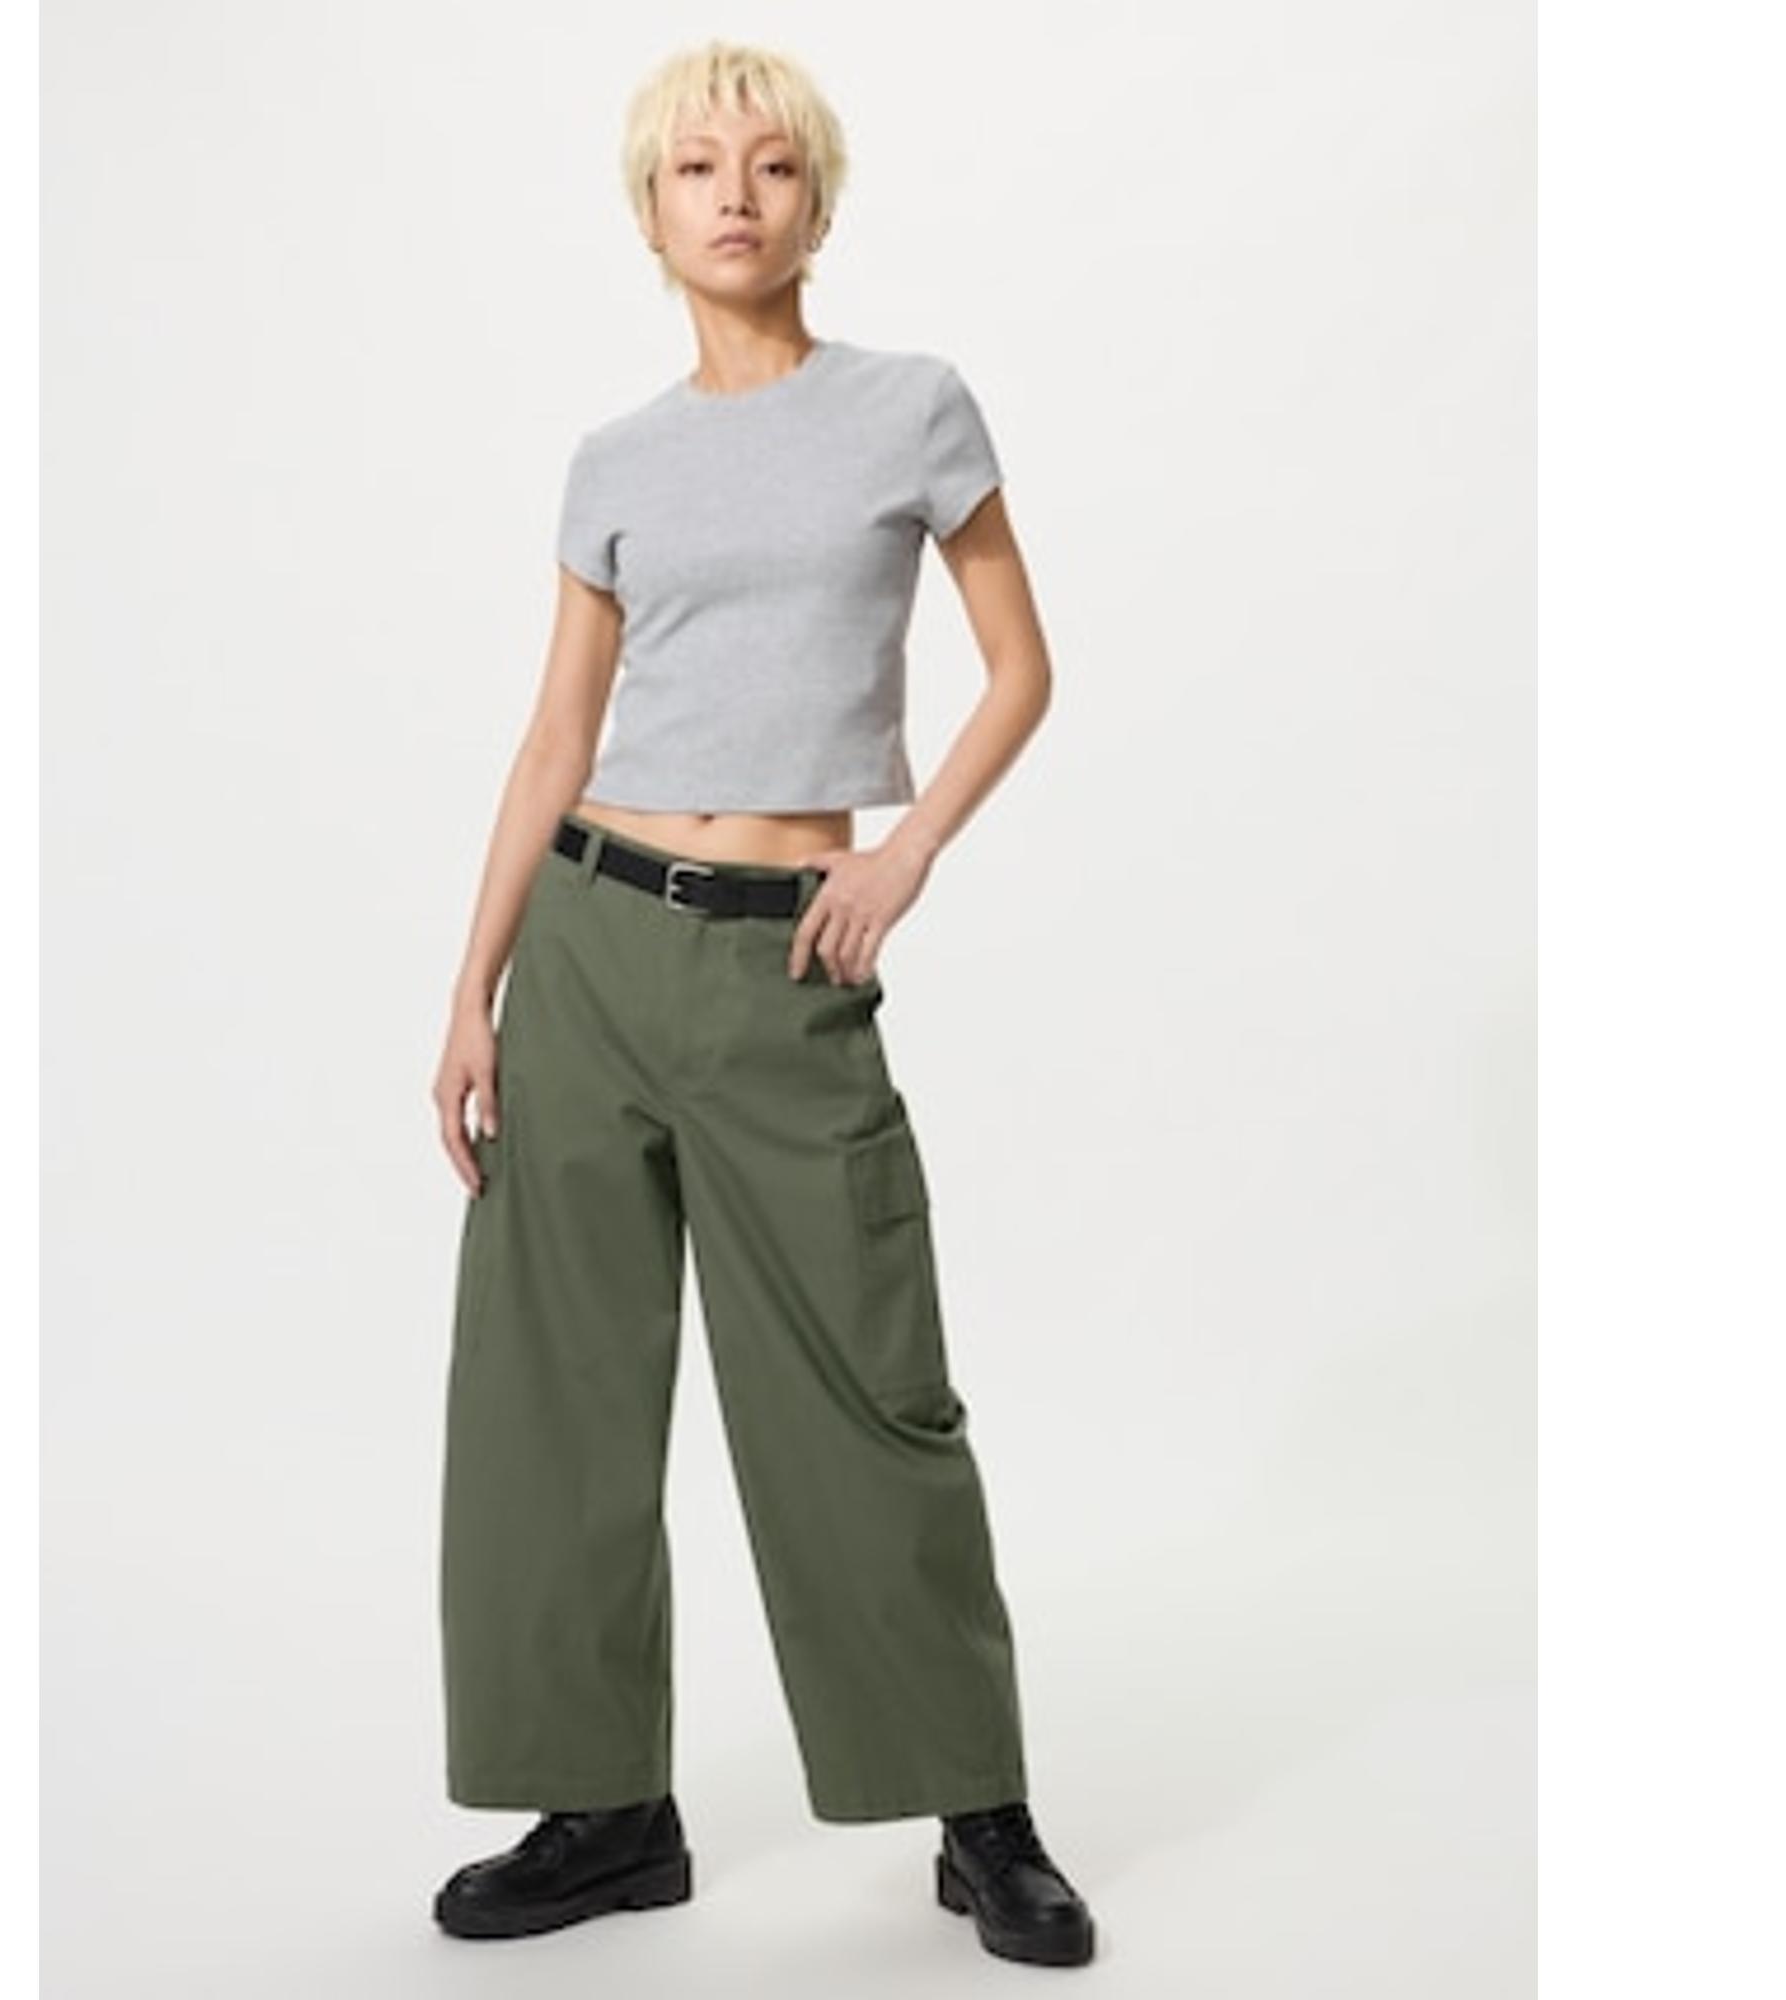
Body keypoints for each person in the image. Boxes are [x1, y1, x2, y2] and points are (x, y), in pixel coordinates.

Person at [426, 40, 1094, 1970]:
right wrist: (473, 992)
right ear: (649, 211)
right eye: (697, 168)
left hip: (790, 962)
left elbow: (1021, 666)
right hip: (589, 953)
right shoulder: (616, 462)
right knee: (553, 1400)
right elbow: (556, 738)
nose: (737, 194)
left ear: (818, 200)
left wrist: (906, 853)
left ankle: (979, 1813)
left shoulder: (909, 409)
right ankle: (605, 1813)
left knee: (870, 1393)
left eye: (774, 165)